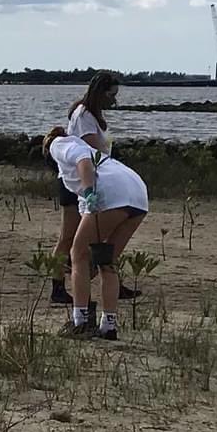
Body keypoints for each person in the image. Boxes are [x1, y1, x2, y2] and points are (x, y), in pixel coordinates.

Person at [43, 126, 149, 340]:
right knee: (106, 261)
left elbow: (83, 160)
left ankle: (80, 321)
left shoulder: (58, 144)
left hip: (111, 192)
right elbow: (84, 205)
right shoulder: (85, 157)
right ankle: (108, 326)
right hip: (138, 193)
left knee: (78, 254)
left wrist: (90, 191)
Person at [49, 71, 137, 304]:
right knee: (69, 236)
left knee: (97, 236)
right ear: (100, 92)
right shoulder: (83, 115)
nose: (114, 100)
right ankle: (58, 286)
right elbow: (90, 151)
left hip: (96, 178)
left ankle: (109, 281)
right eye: (111, 95)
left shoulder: (94, 115)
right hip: (78, 181)